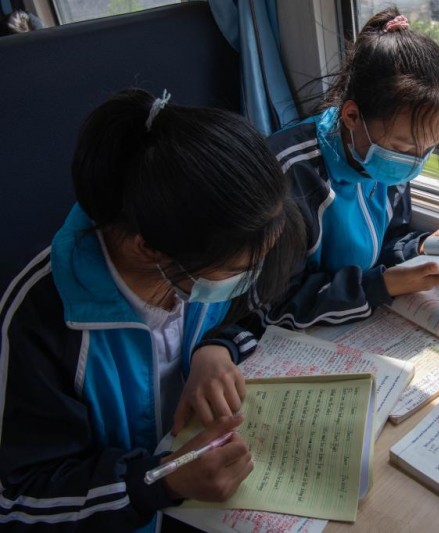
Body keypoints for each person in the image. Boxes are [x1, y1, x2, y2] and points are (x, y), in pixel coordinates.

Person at [0, 88, 304, 531]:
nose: (252, 276)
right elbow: (22, 500)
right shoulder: (40, 322)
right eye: (240, 268)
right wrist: (160, 481)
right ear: (149, 250)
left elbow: (251, 311)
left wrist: (215, 349)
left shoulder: (201, 261)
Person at [253, 6, 439, 330]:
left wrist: (422, 246)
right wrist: (384, 285)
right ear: (351, 116)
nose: (414, 163)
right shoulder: (289, 175)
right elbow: (275, 303)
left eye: (428, 149)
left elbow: (387, 241)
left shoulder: (380, 160)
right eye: (404, 149)